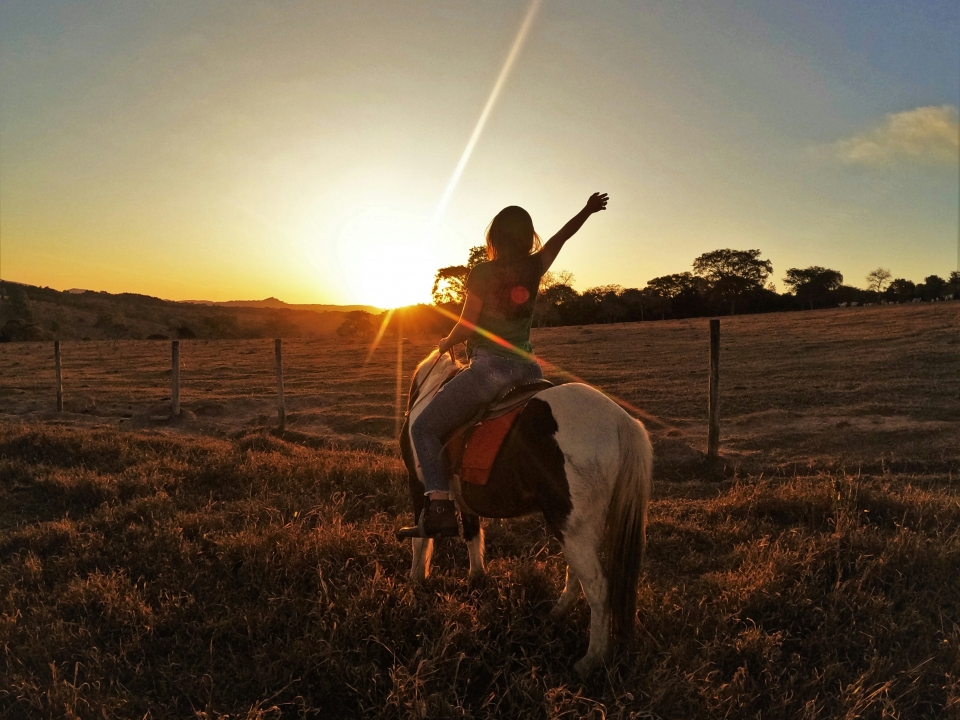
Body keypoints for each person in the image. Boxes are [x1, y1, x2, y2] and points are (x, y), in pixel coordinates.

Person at [399, 192, 609, 538]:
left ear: (495, 238)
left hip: (489, 372)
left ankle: (438, 507)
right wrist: (586, 210)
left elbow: (468, 325)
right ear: (527, 237)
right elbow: (561, 237)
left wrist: (446, 342)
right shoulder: (534, 267)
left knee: (423, 427)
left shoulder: (482, 272)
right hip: (530, 372)